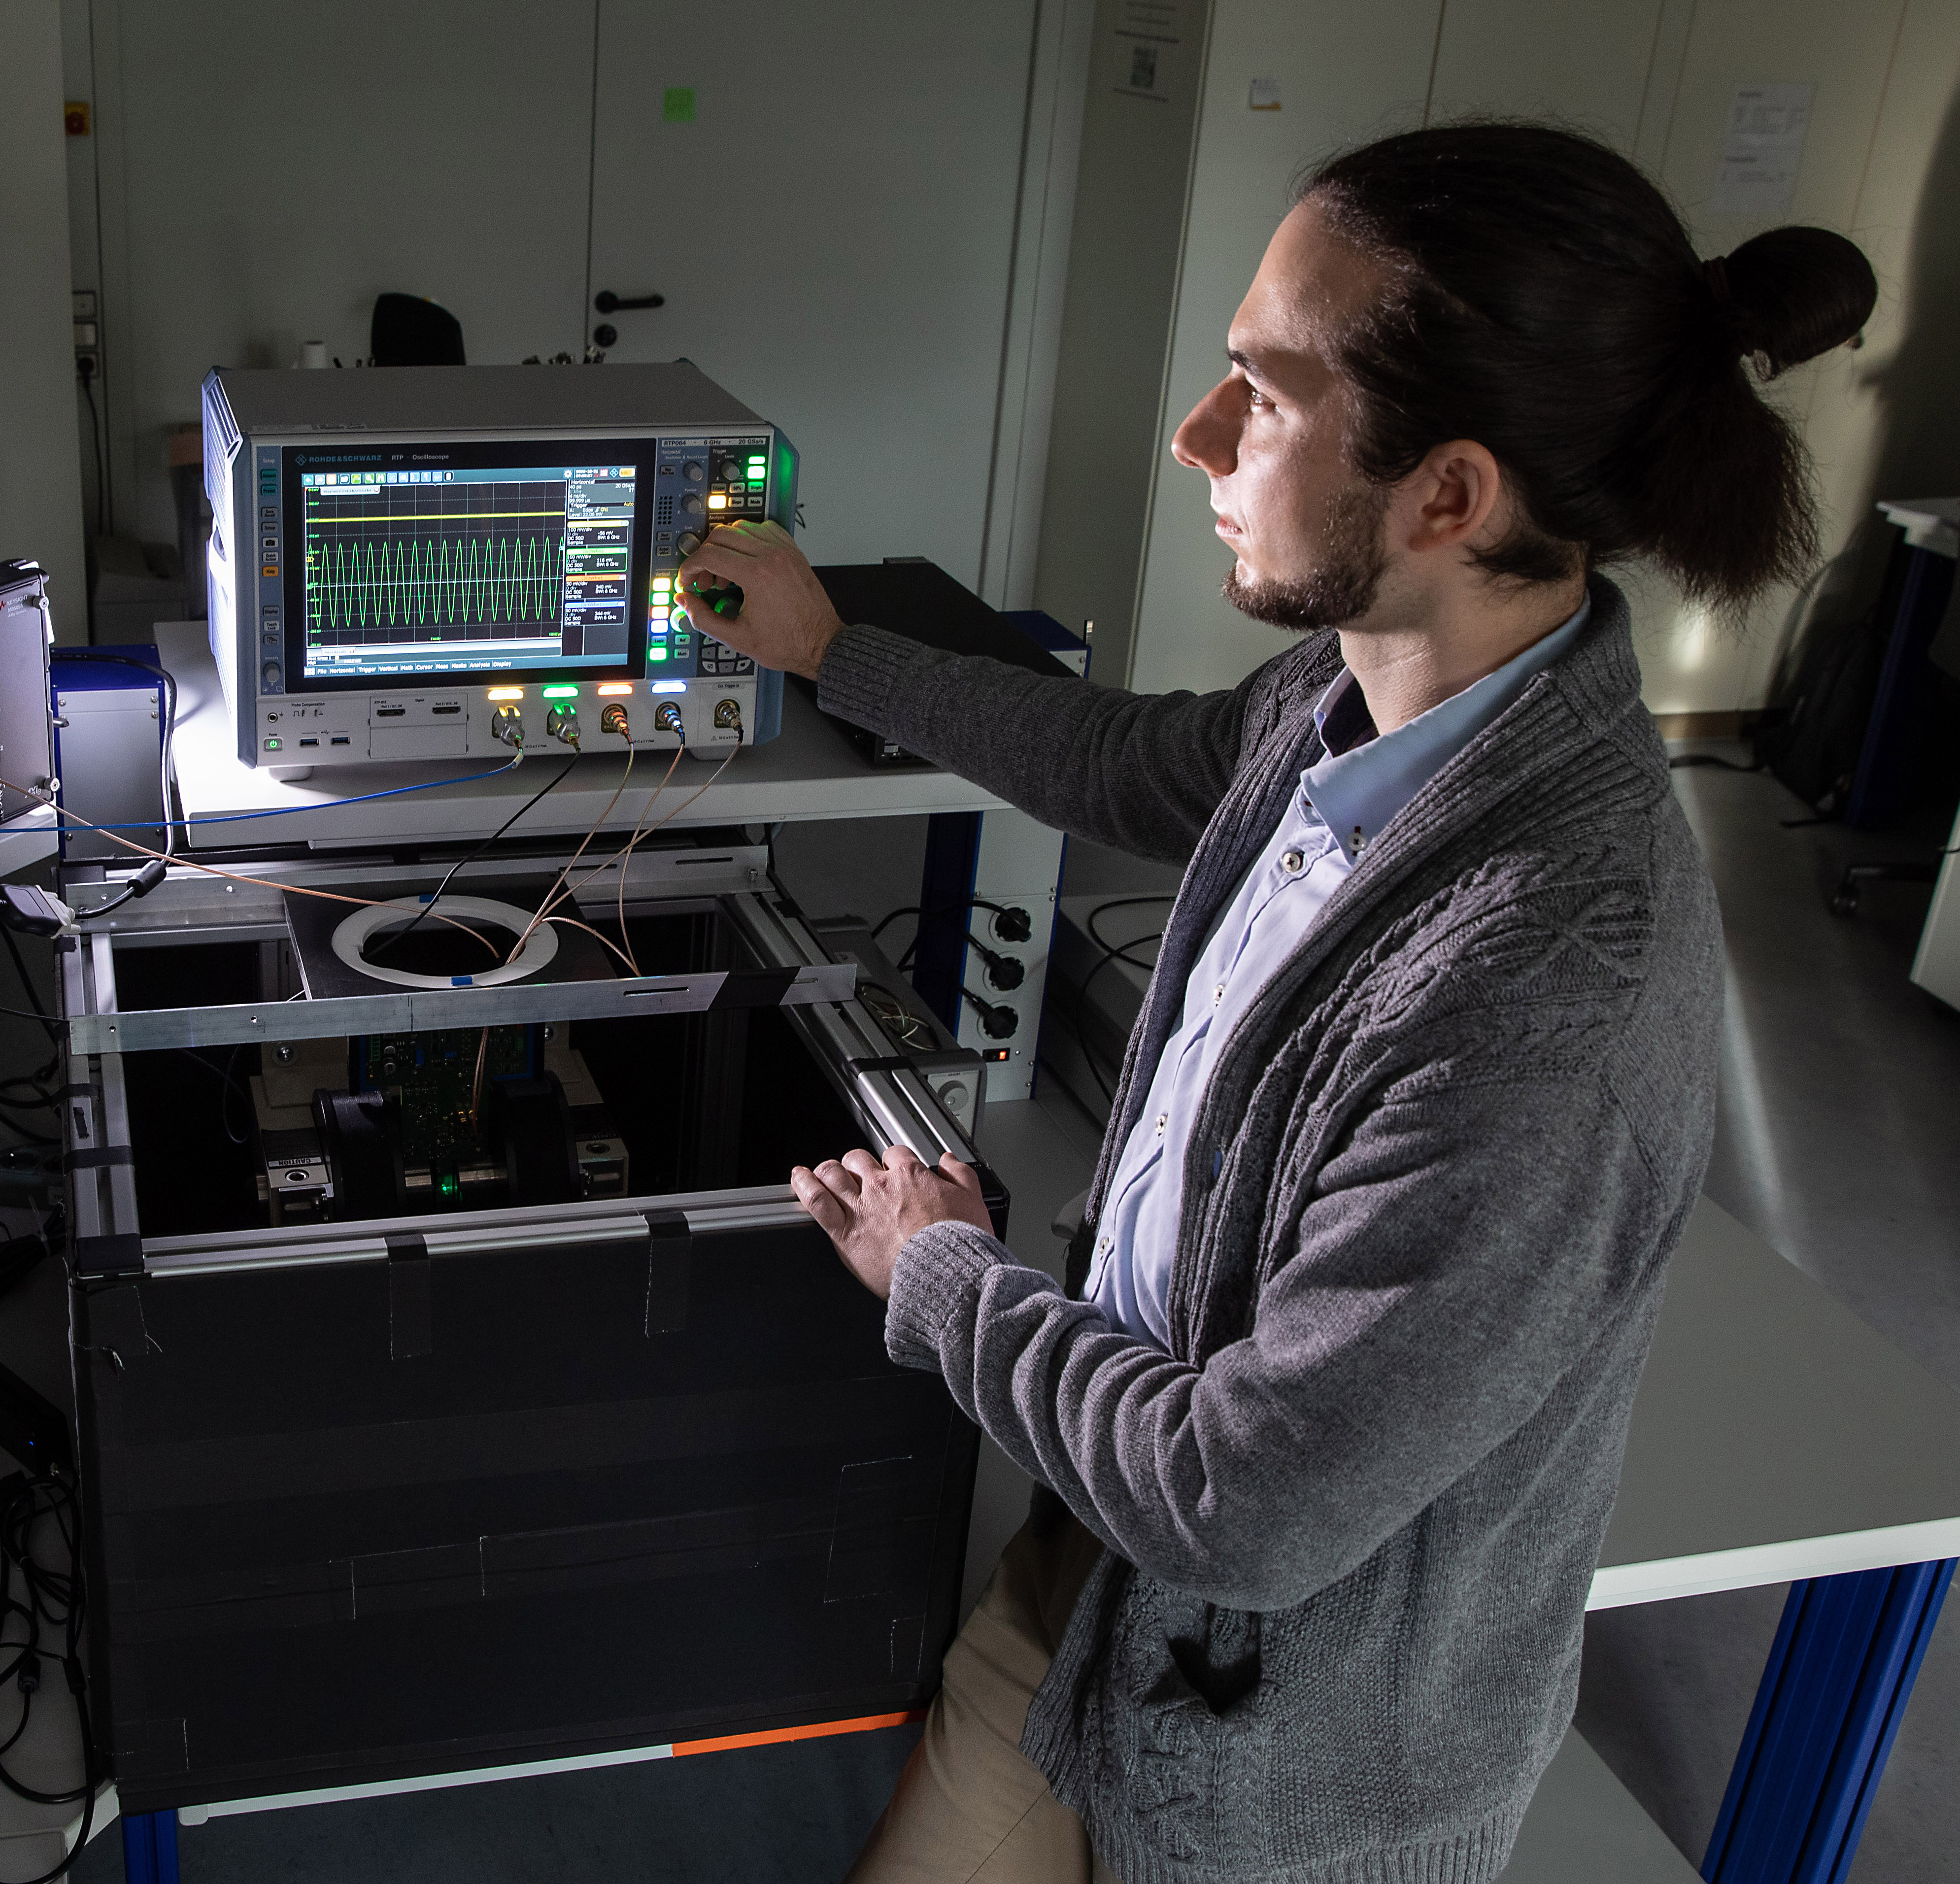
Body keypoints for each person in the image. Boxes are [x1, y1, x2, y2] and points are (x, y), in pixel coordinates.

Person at [674, 121, 1878, 1884]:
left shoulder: (1551, 974)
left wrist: (943, 1278)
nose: (1195, 438)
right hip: (1088, 1575)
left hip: (1289, 1773)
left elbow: (1249, 1504)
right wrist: (824, 647)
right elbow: (1115, 752)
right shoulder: (1341, 696)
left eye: (1259, 391)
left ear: (1447, 496)